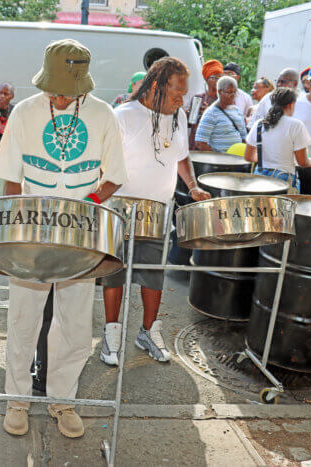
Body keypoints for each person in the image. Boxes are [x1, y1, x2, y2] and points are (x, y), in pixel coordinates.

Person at [0, 39, 127, 439]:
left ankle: (62, 400)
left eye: (70, 88)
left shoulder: (103, 114)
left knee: (74, 322)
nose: (63, 95)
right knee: (23, 316)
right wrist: (18, 227)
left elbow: (115, 173)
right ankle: (17, 399)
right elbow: (11, 175)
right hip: (32, 232)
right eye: (57, 86)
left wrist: (90, 204)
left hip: (80, 234)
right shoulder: (26, 111)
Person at [99, 58, 211, 366]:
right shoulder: (124, 115)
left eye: (185, 93)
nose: (182, 99)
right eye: (177, 91)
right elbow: (104, 163)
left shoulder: (180, 116)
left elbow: (183, 157)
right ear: (156, 86)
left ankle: (147, 332)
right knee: (114, 273)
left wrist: (192, 185)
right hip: (120, 209)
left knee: (153, 275)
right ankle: (111, 333)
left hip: (158, 211)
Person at [244, 88, 311, 192]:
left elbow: (248, 156)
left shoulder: (260, 124)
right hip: (283, 179)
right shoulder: (296, 125)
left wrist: (267, 160)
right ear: (291, 105)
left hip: (259, 178)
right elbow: (302, 162)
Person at [194, 76, 247, 153]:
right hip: (220, 162)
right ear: (219, 92)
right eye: (229, 92)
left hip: (237, 161)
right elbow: (200, 143)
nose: (233, 95)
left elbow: (244, 137)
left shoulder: (237, 111)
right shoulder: (211, 113)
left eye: (235, 92)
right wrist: (219, 156)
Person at [188, 59, 223, 150]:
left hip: (213, 147)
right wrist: (189, 113)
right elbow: (191, 123)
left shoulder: (224, 100)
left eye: (220, 78)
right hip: (195, 145)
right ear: (207, 79)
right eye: (214, 77)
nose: (217, 81)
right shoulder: (198, 98)